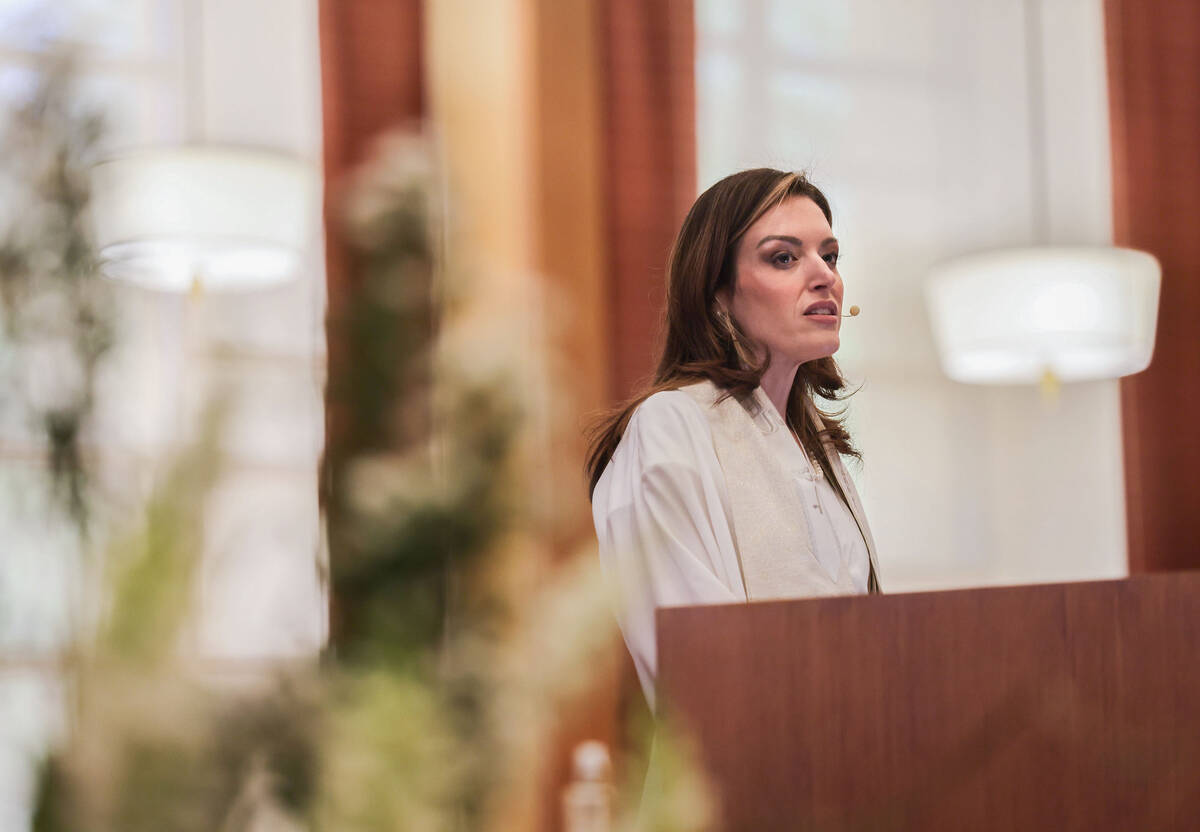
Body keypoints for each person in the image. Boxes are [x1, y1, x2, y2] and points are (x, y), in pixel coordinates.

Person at [587, 168, 881, 710]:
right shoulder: (672, 425)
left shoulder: (816, 444)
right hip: (739, 777)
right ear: (718, 291)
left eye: (830, 256)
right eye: (784, 258)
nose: (825, 277)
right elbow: (701, 661)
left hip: (854, 768)